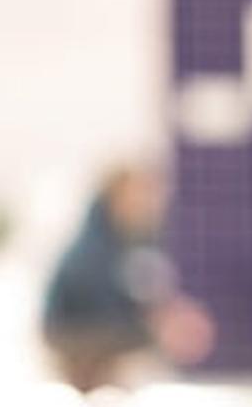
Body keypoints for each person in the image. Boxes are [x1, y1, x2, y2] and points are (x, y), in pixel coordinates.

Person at [39, 161, 213, 393]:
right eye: (138, 195)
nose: (147, 204)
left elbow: (143, 298)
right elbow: (99, 314)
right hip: (82, 358)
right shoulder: (91, 252)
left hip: (109, 361)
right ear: (115, 198)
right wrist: (155, 331)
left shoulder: (134, 244)